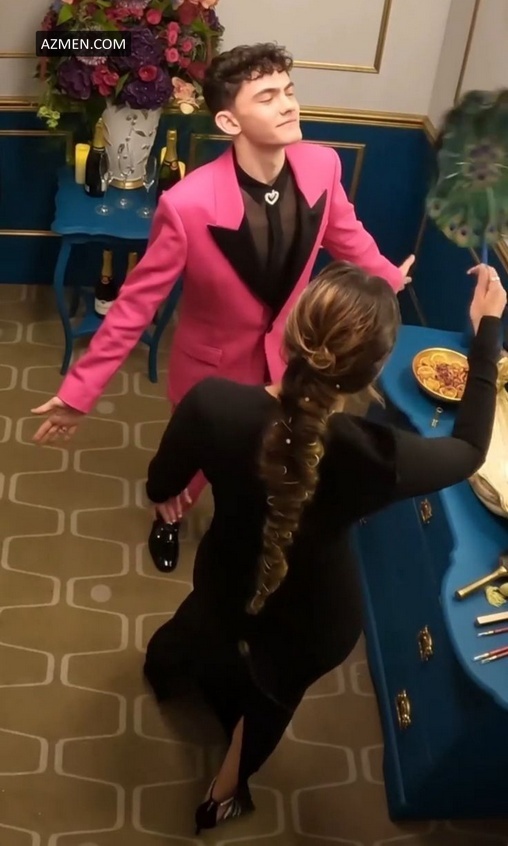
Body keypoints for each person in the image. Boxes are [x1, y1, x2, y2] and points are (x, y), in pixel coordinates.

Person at [142, 260, 506, 834]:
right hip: (314, 618)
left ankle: (167, 671)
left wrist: (166, 500)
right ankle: (224, 794)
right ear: (371, 374)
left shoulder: (212, 404)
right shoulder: (375, 457)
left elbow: (161, 484)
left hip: (226, 574)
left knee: (204, 620)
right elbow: (468, 452)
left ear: (292, 333)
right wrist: (487, 331)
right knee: (273, 696)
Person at [31, 42, 414, 572]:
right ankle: (170, 518)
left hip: (293, 362)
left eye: (288, 91)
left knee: (281, 453)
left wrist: (389, 276)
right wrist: (79, 394)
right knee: (192, 466)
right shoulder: (186, 205)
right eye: (267, 97)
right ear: (230, 121)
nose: (288, 104)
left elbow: (347, 235)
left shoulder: (323, 165)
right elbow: (134, 307)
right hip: (210, 373)